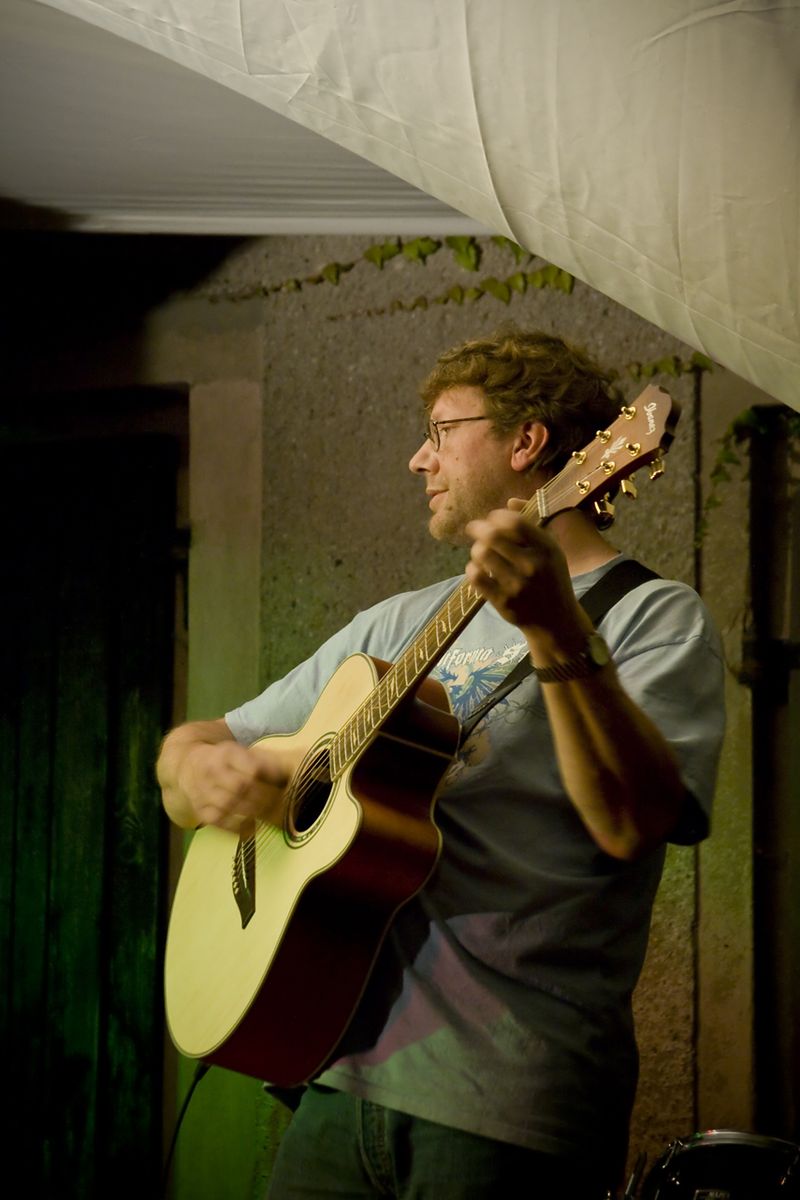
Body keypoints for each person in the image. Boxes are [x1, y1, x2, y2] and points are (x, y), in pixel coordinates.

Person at [157, 328, 725, 1199]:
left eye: (441, 431)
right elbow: (195, 747)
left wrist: (556, 629)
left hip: (512, 1097)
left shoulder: (655, 618)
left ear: (527, 442)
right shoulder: (399, 624)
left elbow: (631, 824)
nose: (418, 459)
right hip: (336, 1075)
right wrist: (202, 775)